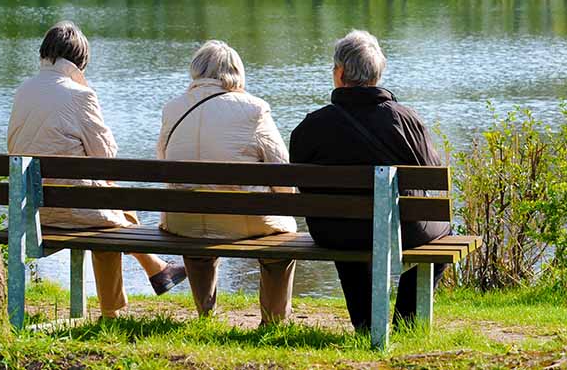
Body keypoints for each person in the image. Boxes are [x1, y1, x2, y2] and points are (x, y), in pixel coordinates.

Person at [7, 21, 186, 319]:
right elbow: (106, 157)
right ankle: (117, 305)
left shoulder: (23, 90)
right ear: (80, 60)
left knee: (113, 204)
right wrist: (85, 90)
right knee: (113, 214)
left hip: (30, 210)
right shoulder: (80, 96)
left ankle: (156, 271)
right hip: (71, 210)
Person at [289, 29, 451, 331]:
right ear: (377, 74)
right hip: (405, 229)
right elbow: (432, 168)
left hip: (334, 230)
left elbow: (302, 182)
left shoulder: (311, 126)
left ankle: (366, 325)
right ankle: (406, 323)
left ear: (339, 73)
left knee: (348, 227)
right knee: (446, 234)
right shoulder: (405, 119)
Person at [157, 40, 297, 323]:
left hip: (182, 220)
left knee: (197, 236)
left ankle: (205, 317)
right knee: (280, 246)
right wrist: (285, 201)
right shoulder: (254, 109)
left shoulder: (172, 109)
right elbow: (281, 171)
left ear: (196, 71)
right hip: (243, 220)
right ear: (236, 73)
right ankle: (274, 321)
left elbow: (163, 160)